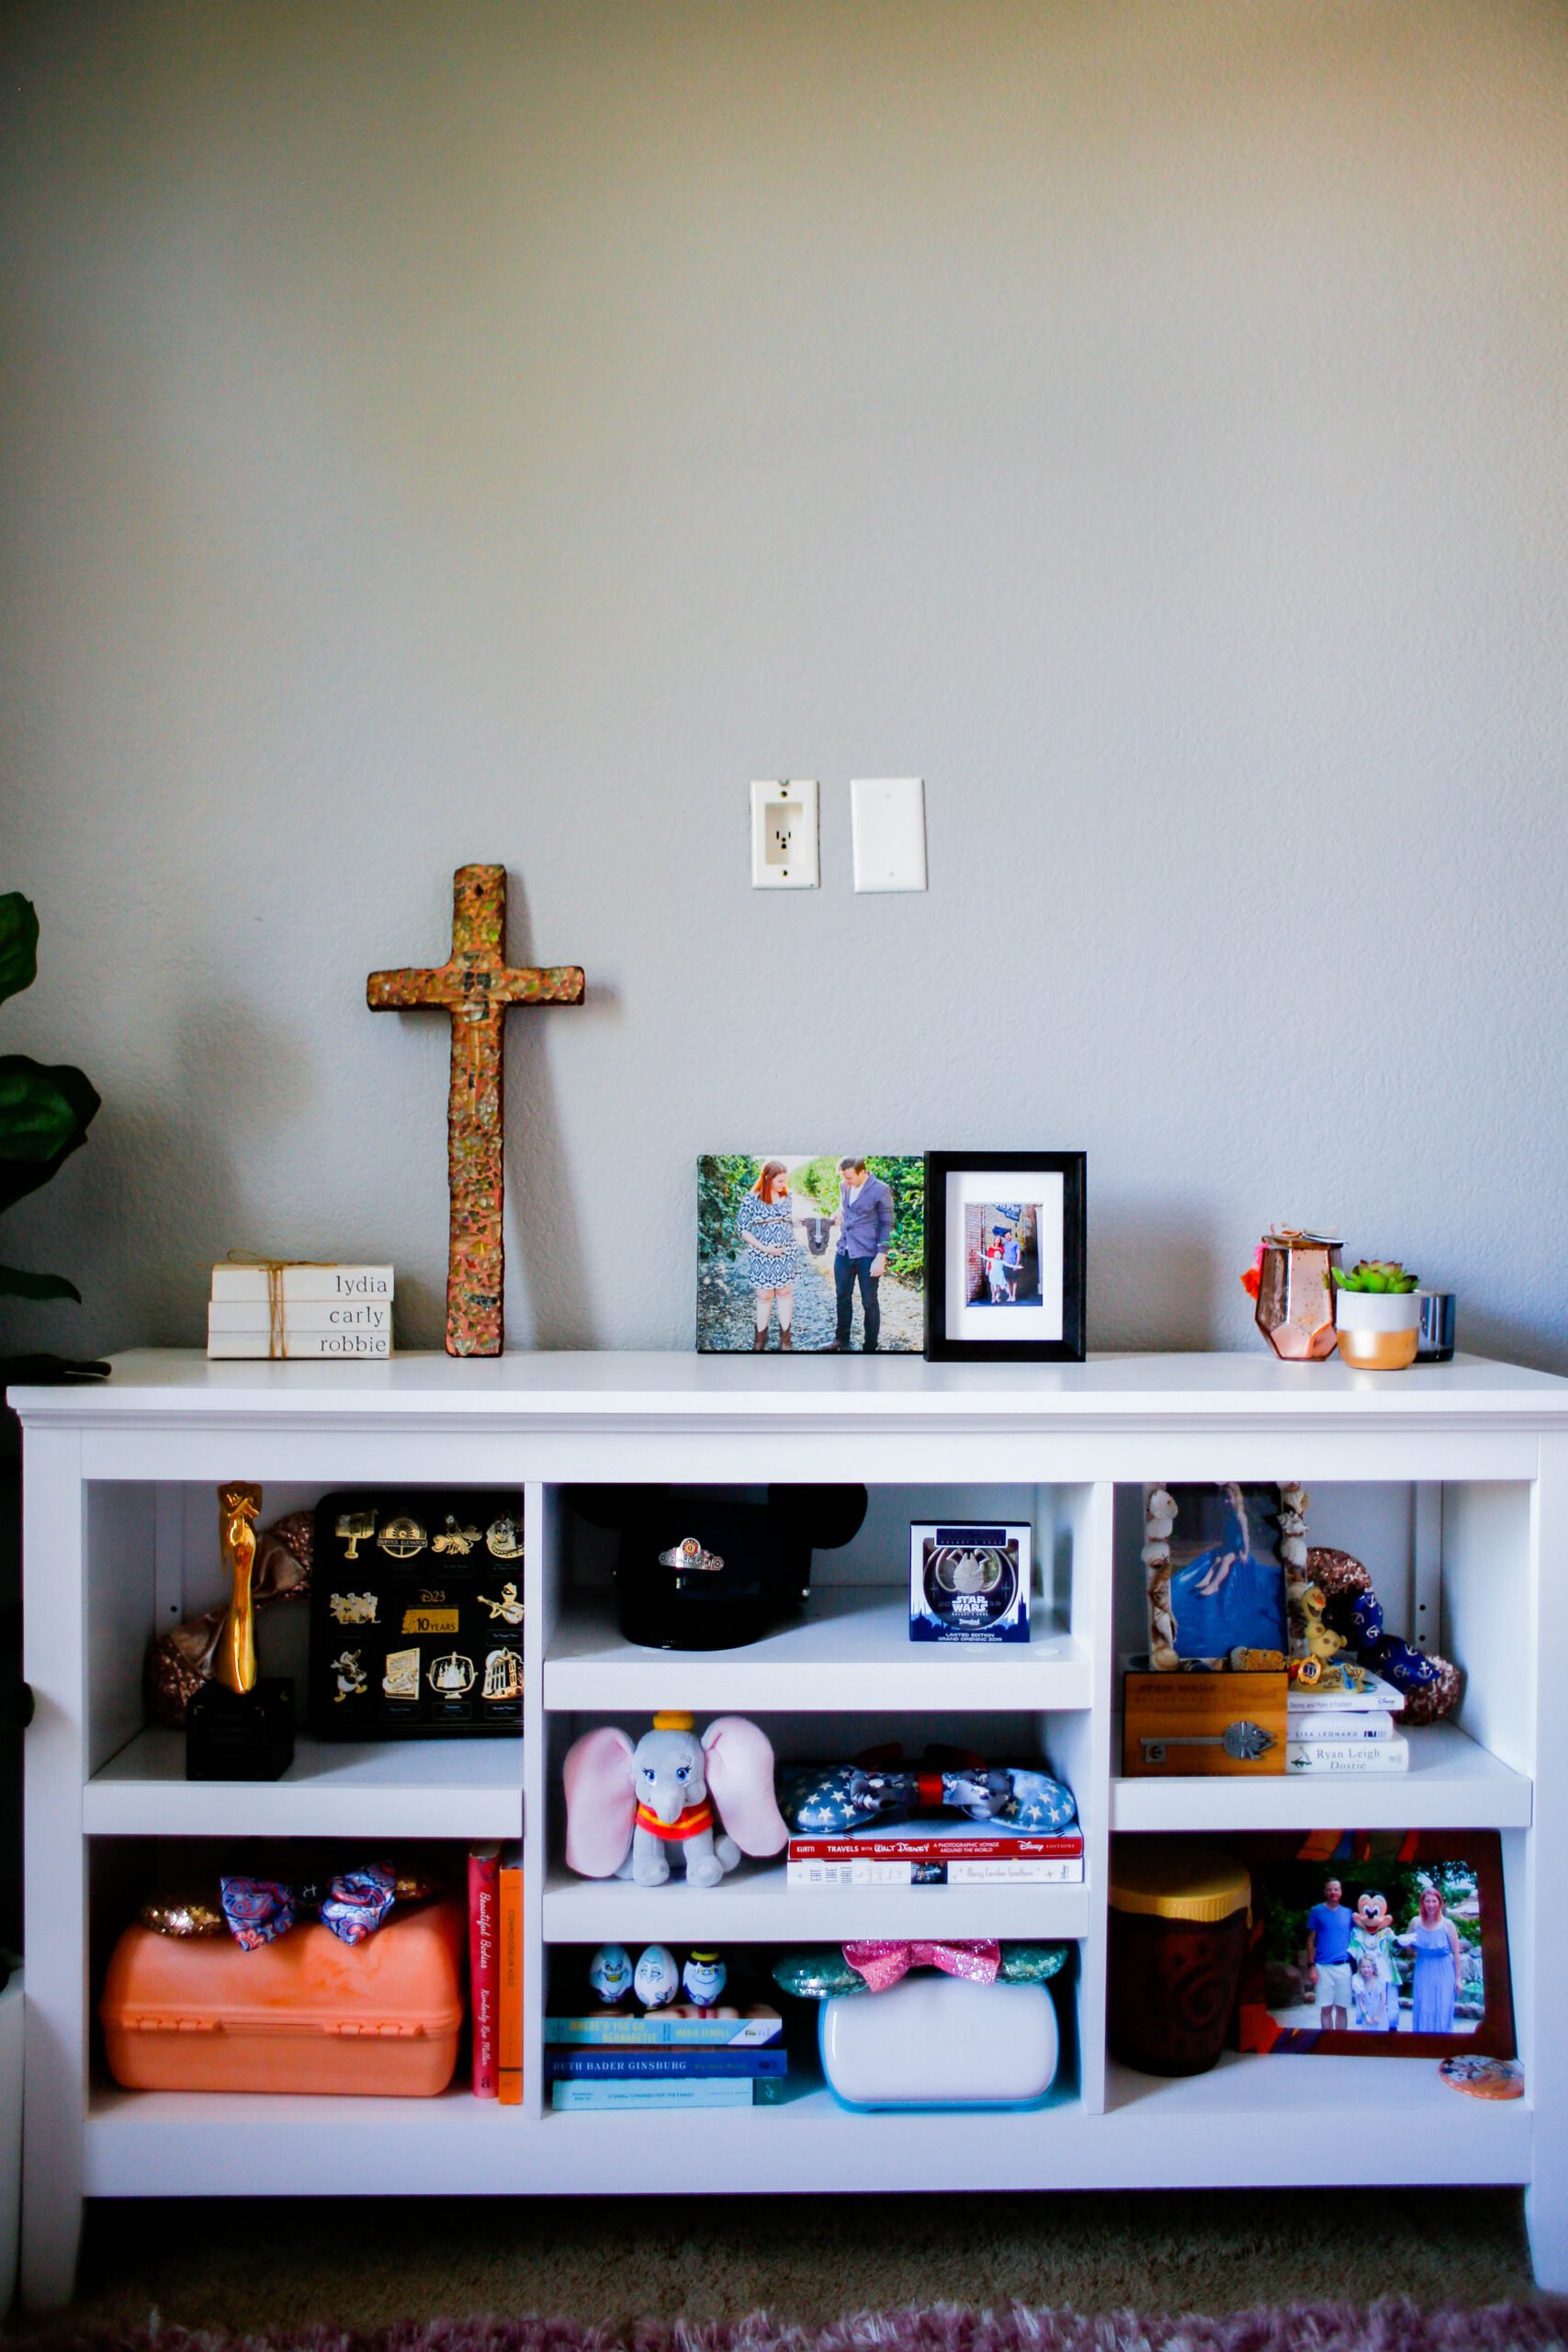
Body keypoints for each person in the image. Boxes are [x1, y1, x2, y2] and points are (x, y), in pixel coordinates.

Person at [736, 1160, 804, 1351]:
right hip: (761, 1255)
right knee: (764, 1296)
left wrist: (797, 1222)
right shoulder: (751, 1199)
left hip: (785, 1254)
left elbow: (788, 1221)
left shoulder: (788, 1197)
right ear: (767, 1178)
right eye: (780, 1181)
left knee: (784, 1293)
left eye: (785, 1180)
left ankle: (785, 1338)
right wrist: (765, 1248)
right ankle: (760, 1339)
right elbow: (743, 1230)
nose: (784, 1184)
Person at [829, 1158, 894, 1352]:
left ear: (862, 1172)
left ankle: (870, 1347)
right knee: (842, 1297)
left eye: (849, 1177)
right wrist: (838, 1213)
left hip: (868, 1254)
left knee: (869, 1302)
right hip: (844, 1251)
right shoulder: (844, 1185)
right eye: (844, 1178)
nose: (846, 1181)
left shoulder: (880, 1189)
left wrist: (881, 1255)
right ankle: (841, 1340)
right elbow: (847, 1207)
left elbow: (887, 1224)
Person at [1398, 1886, 1464, 2033]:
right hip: (1423, 1968)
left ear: (1439, 1903)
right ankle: (1423, 2041)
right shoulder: (1415, 1923)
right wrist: (1405, 1945)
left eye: (1434, 1901)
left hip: (1444, 1969)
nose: (1431, 1905)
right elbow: (1409, 1949)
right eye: (1427, 1901)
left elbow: (1456, 1952)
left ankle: (1442, 2040)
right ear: (1422, 1903)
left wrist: (1458, 1978)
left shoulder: (1448, 1925)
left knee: (1443, 2004)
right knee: (1424, 2004)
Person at [1304, 1875, 1354, 2030]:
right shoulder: (1316, 1911)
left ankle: (1341, 2043)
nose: (1333, 1892)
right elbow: (1310, 1939)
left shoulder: (1349, 1913)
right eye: (1329, 1889)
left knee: (1342, 2008)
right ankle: (1327, 2042)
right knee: (1325, 2008)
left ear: (1341, 1892)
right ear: (1325, 1892)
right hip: (1323, 1967)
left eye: (1336, 1889)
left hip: (1343, 1966)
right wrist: (1311, 1966)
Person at [1351, 1951, 1394, 2032]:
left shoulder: (1380, 1981)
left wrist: (1378, 2016)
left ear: (1373, 1967)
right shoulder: (1360, 1983)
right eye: (1363, 1967)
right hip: (1367, 2015)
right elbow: (1361, 2001)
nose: (1366, 1969)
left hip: (1380, 2015)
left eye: (1368, 1967)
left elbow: (1383, 2000)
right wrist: (1366, 2016)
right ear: (1359, 1968)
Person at [1001, 1225, 1021, 1302]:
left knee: (1014, 1281)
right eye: (1006, 1236)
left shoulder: (1016, 1243)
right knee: (1008, 1281)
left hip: (1013, 1265)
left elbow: (1018, 1255)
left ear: (1011, 1235)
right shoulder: (1003, 1244)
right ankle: (1009, 1296)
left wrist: (1016, 1265)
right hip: (1006, 1266)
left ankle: (1014, 1296)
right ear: (1005, 1237)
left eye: (1009, 1235)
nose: (1007, 1237)